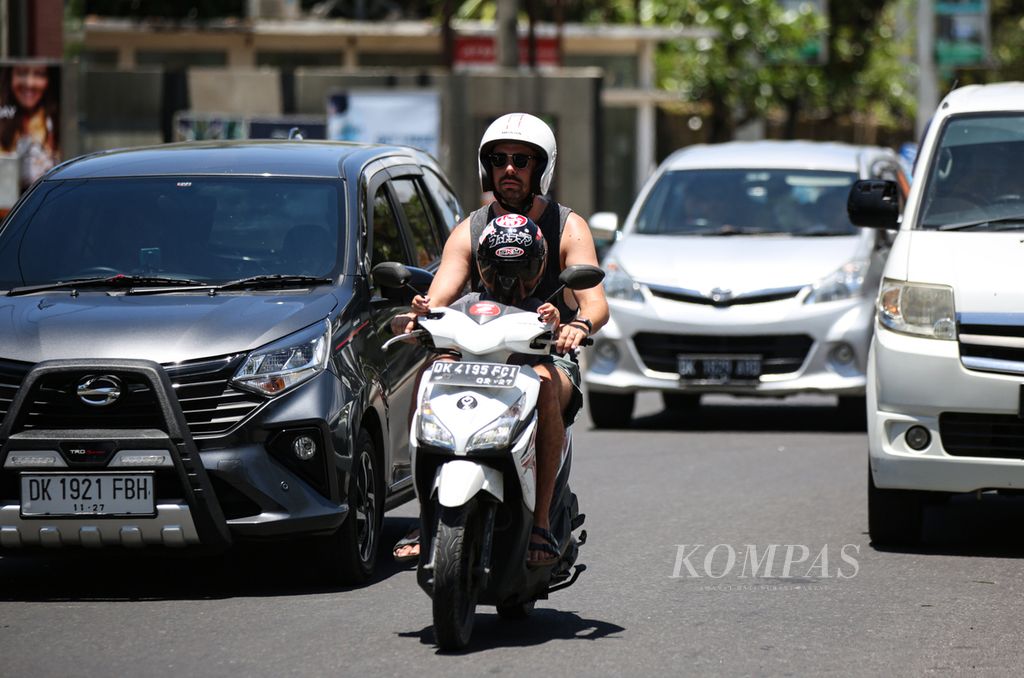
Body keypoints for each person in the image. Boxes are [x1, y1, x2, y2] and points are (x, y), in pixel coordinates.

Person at [391, 112, 609, 566]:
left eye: (521, 160)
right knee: (430, 371)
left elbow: (595, 303)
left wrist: (577, 326)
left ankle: (543, 523)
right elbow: (440, 293)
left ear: (540, 168)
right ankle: (424, 513)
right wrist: (418, 314)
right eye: (499, 160)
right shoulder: (470, 228)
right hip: (477, 348)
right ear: (486, 167)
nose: (509, 169)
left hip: (545, 354)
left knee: (545, 382)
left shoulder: (567, 227)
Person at [0, 63, 60, 192]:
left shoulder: (58, 121)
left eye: (39, 74)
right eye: (21, 73)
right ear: (10, 76)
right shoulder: (3, 118)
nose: (30, 83)